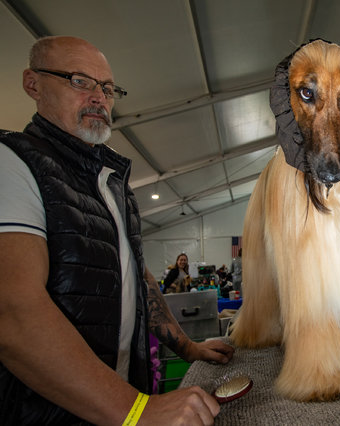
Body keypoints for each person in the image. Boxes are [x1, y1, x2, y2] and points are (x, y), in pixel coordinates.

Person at [0, 36, 234, 425]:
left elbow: (137, 281)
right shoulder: (13, 163)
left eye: (107, 88)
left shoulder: (111, 184)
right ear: (33, 84)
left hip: (115, 399)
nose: (99, 98)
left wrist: (189, 348)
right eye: (79, 81)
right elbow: (13, 311)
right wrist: (135, 410)